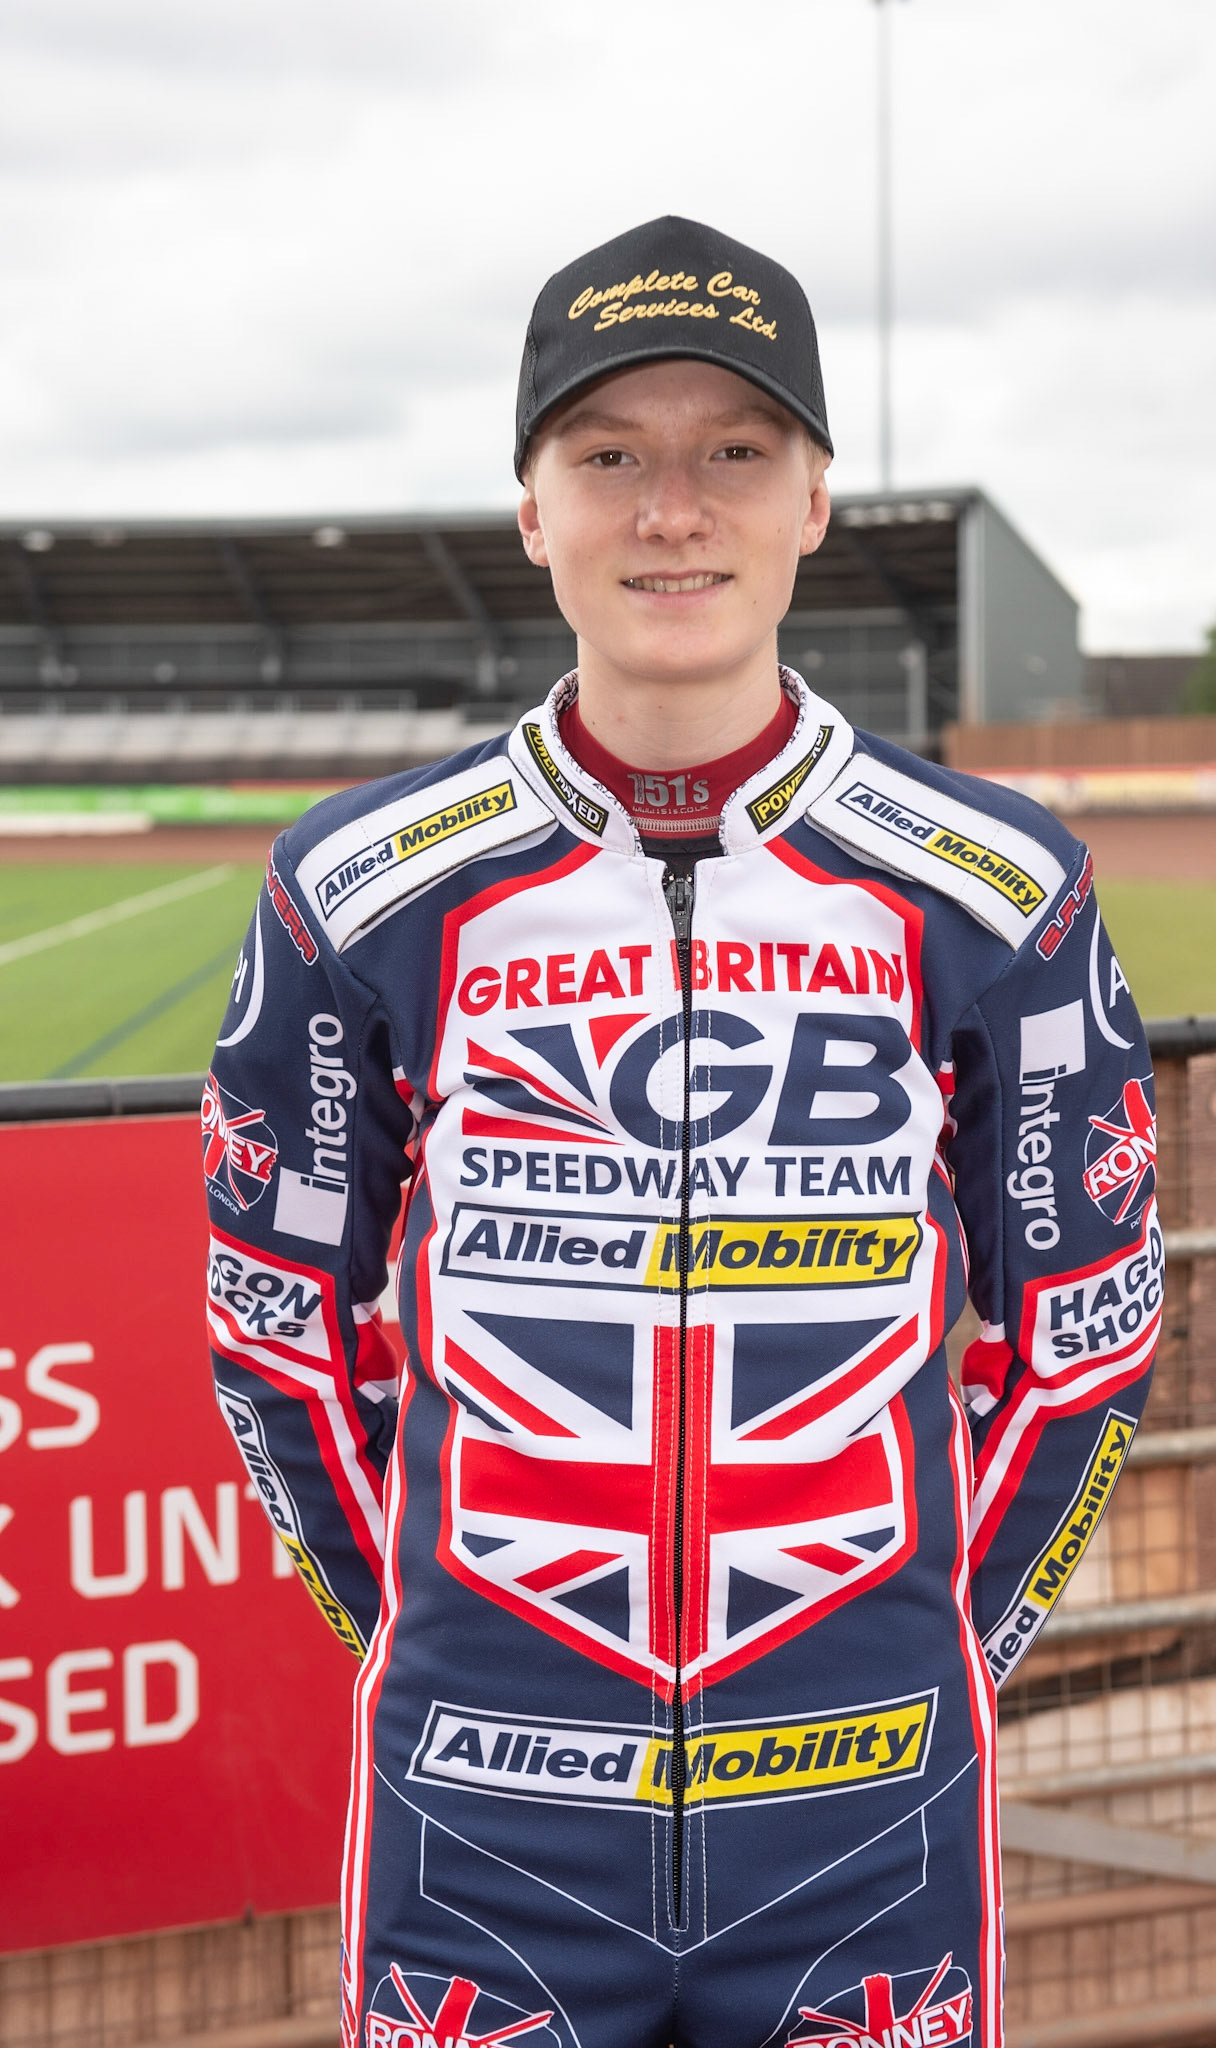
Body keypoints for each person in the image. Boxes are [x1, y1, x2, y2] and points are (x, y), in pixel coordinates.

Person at [205, 216, 1160, 2048]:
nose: (672, 508)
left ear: (814, 501)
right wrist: (413, 1642)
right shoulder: (354, 884)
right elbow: (276, 1338)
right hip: (476, 1819)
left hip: (871, 1808)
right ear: (530, 510)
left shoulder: (999, 882)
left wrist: (948, 1644)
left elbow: (1089, 1340)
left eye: (734, 450)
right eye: (609, 456)